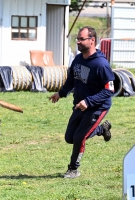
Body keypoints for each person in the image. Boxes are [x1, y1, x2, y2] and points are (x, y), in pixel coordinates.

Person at [49, 26, 115, 179]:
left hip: (97, 107)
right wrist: (61, 93)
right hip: (80, 105)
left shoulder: (101, 64)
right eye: (77, 39)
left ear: (92, 41)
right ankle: (101, 130)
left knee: (79, 138)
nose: (77, 41)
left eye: (81, 39)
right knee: (70, 138)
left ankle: (73, 169)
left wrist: (89, 101)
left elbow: (109, 90)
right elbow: (72, 79)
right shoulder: (78, 59)